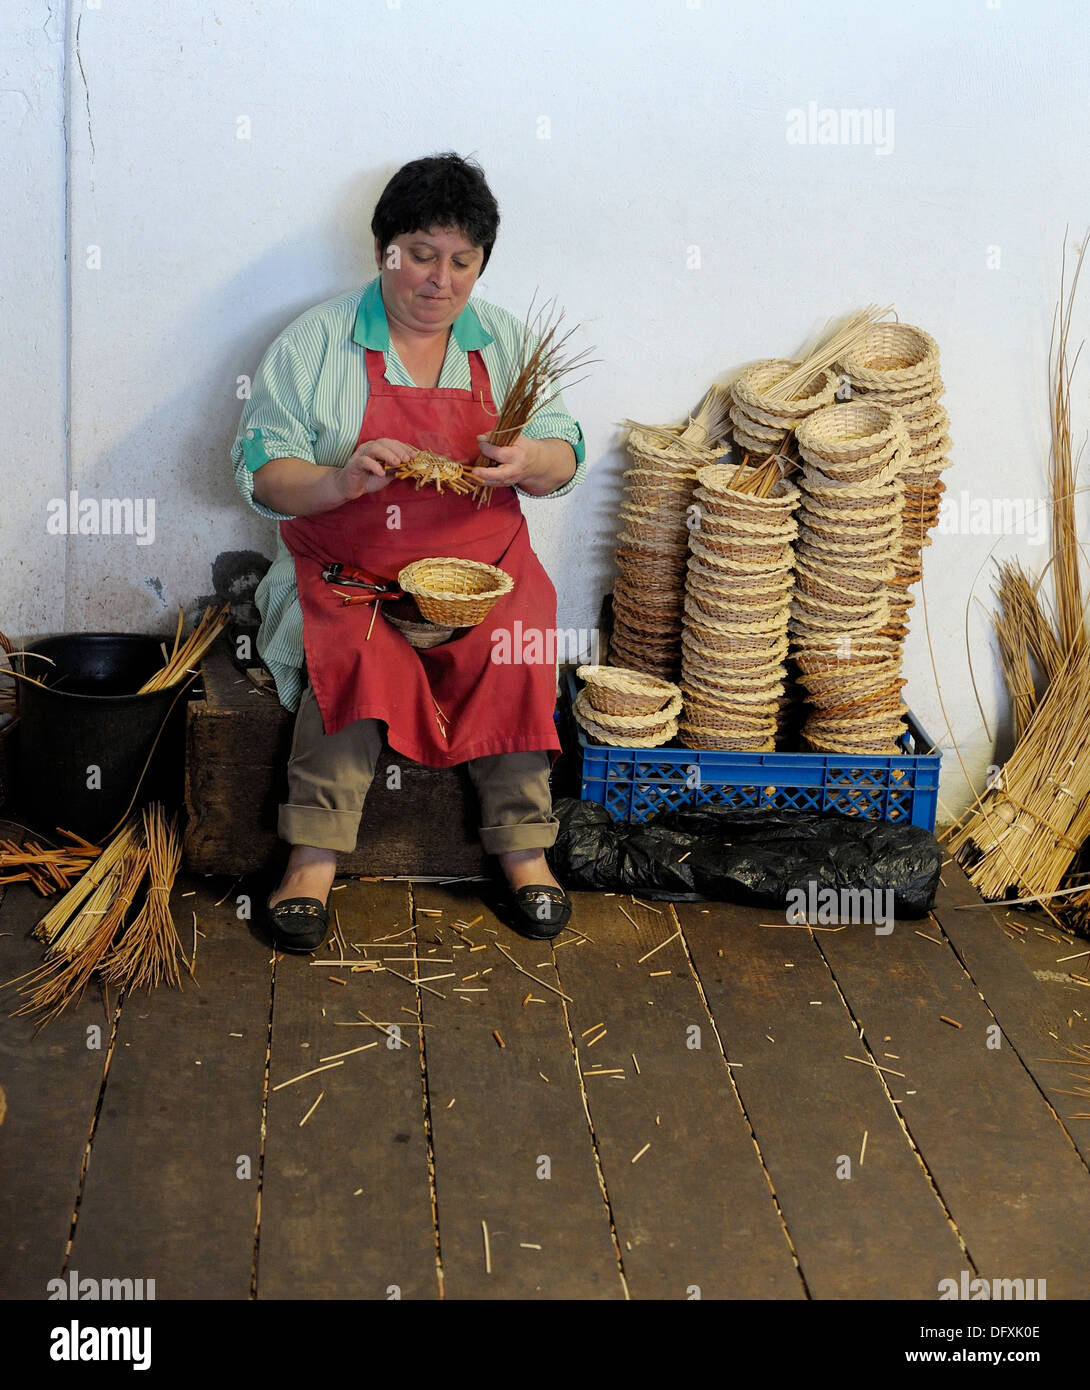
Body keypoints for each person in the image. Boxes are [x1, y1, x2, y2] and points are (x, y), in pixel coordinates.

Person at [232, 153, 586, 953]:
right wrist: (337, 480)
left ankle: (524, 848)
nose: (442, 280)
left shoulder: (505, 342)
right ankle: (313, 858)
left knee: (518, 639)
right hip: (352, 566)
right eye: (422, 255)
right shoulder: (316, 342)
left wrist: (528, 461)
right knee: (352, 651)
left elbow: (566, 450)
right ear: (384, 249)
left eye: (463, 261)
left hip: (482, 569)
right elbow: (262, 468)